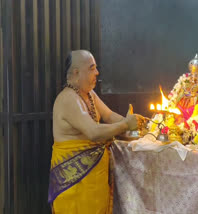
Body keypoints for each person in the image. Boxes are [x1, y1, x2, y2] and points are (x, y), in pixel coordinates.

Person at [48, 50, 145, 214]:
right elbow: (93, 132)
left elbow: (108, 115)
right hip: (76, 184)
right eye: (92, 68)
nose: (97, 72)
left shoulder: (88, 94)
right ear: (76, 73)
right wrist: (126, 125)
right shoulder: (68, 99)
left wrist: (134, 127)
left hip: (94, 182)